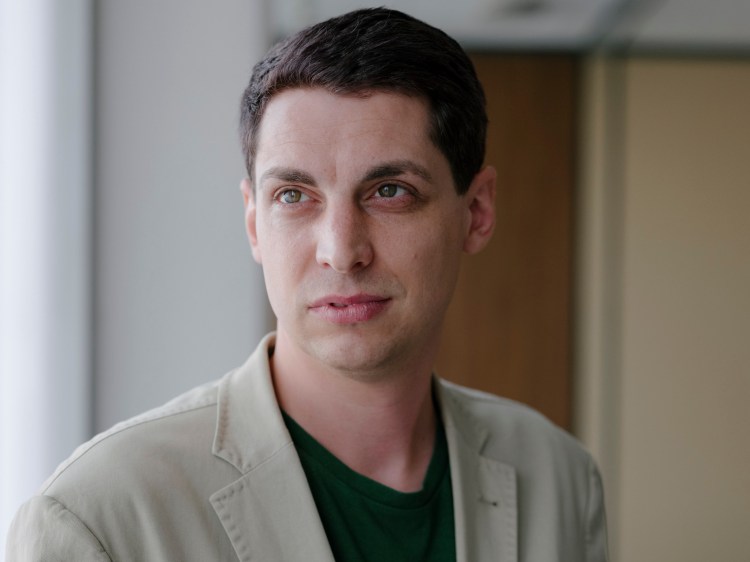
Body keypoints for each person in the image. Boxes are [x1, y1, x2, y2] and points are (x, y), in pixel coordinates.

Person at [7, 7, 608, 561]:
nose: (341, 251)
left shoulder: (558, 476)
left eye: (390, 191)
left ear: (476, 212)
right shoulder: (98, 518)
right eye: (294, 196)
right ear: (254, 223)